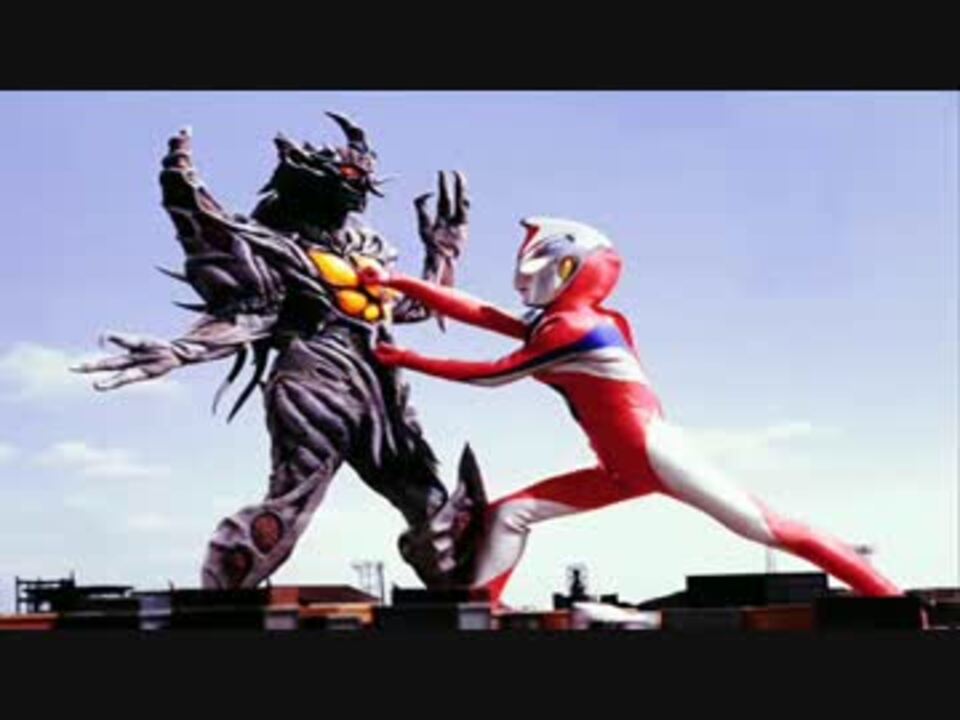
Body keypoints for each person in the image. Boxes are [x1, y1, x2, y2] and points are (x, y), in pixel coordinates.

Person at [357, 216, 902, 603]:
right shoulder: (563, 321)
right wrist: (398, 282)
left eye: (533, 264)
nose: (521, 278)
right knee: (509, 514)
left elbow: (493, 374)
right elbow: (482, 312)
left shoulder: (574, 328)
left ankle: (891, 600)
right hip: (621, 467)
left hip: (655, 454)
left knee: (771, 529)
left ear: (568, 267)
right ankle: (482, 614)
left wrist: (405, 358)